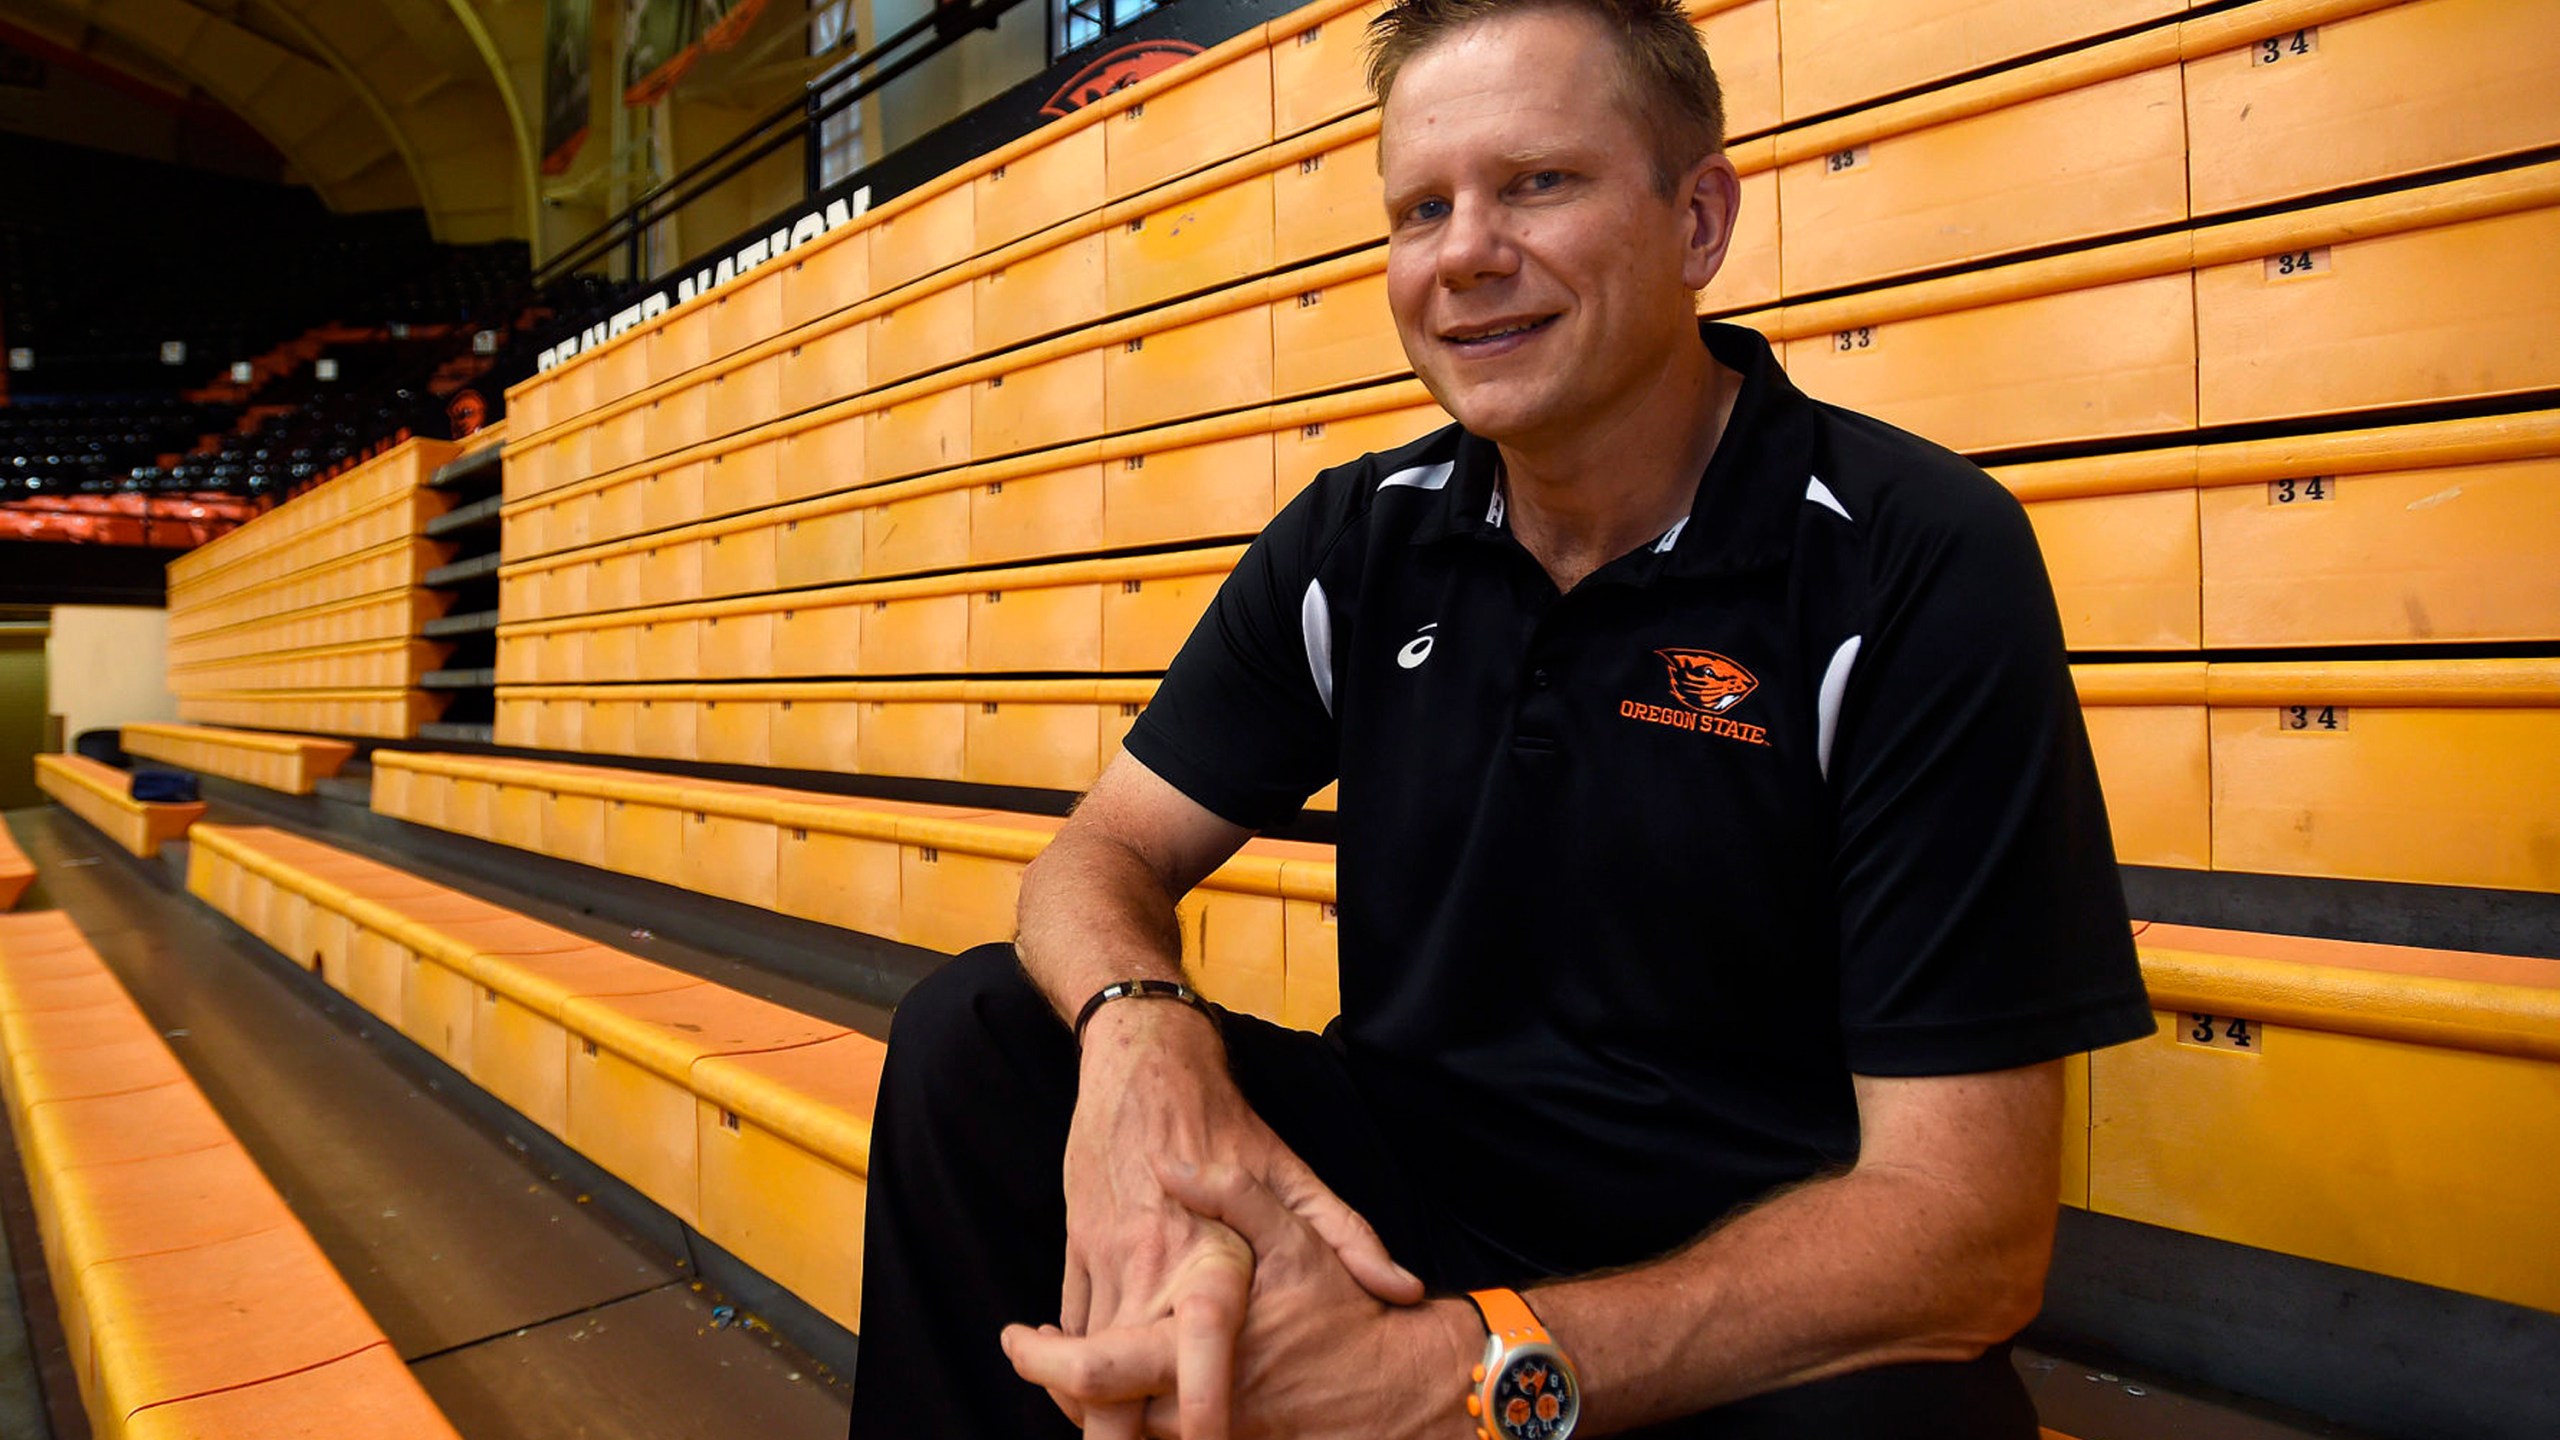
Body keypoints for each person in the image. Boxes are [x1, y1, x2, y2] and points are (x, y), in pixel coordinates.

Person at [846, 0, 2155, 1434]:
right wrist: (1137, 1032)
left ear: (1698, 222)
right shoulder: (1365, 536)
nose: (1465, 252)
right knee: (977, 1041)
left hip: (1739, 1265)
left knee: (1906, 1418)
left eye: (1538, 182)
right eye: (1423, 207)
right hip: (1405, 1199)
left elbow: (1966, 1230)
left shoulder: (1910, 553)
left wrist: (1458, 1375)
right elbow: (1095, 859)